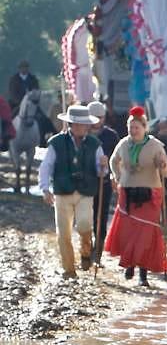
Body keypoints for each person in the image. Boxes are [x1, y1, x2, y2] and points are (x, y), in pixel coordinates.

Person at [38, 104, 108, 279]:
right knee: (64, 233)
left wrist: (103, 166)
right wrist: (45, 189)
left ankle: (86, 251)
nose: (82, 128)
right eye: (78, 124)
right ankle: (69, 269)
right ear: (71, 125)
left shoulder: (95, 144)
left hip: (85, 191)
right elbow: (46, 166)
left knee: (85, 225)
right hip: (62, 192)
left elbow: (102, 172)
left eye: (85, 125)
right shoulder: (56, 143)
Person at [104, 106, 167, 287]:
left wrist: (162, 165)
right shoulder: (124, 144)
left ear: (144, 128)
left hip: (150, 193)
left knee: (145, 234)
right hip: (127, 191)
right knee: (128, 232)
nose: (133, 131)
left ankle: (143, 273)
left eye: (136, 128)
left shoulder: (156, 146)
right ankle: (130, 263)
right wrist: (117, 177)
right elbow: (113, 160)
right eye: (130, 128)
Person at [86, 100, 120, 266]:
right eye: (94, 117)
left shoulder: (111, 136)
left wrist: (115, 176)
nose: (97, 120)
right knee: (86, 217)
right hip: (85, 182)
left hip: (104, 182)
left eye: (100, 117)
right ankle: (86, 248)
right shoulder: (83, 133)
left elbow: (117, 159)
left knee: (101, 216)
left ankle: (98, 252)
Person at [8, 60, 53, 138]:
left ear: (28, 68)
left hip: (32, 103)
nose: (24, 69)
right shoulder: (13, 79)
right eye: (22, 67)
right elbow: (12, 94)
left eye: (26, 67)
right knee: (9, 117)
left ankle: (45, 135)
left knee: (43, 117)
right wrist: (22, 102)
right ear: (19, 69)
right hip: (17, 104)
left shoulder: (33, 78)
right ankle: (8, 137)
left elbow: (37, 91)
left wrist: (33, 100)